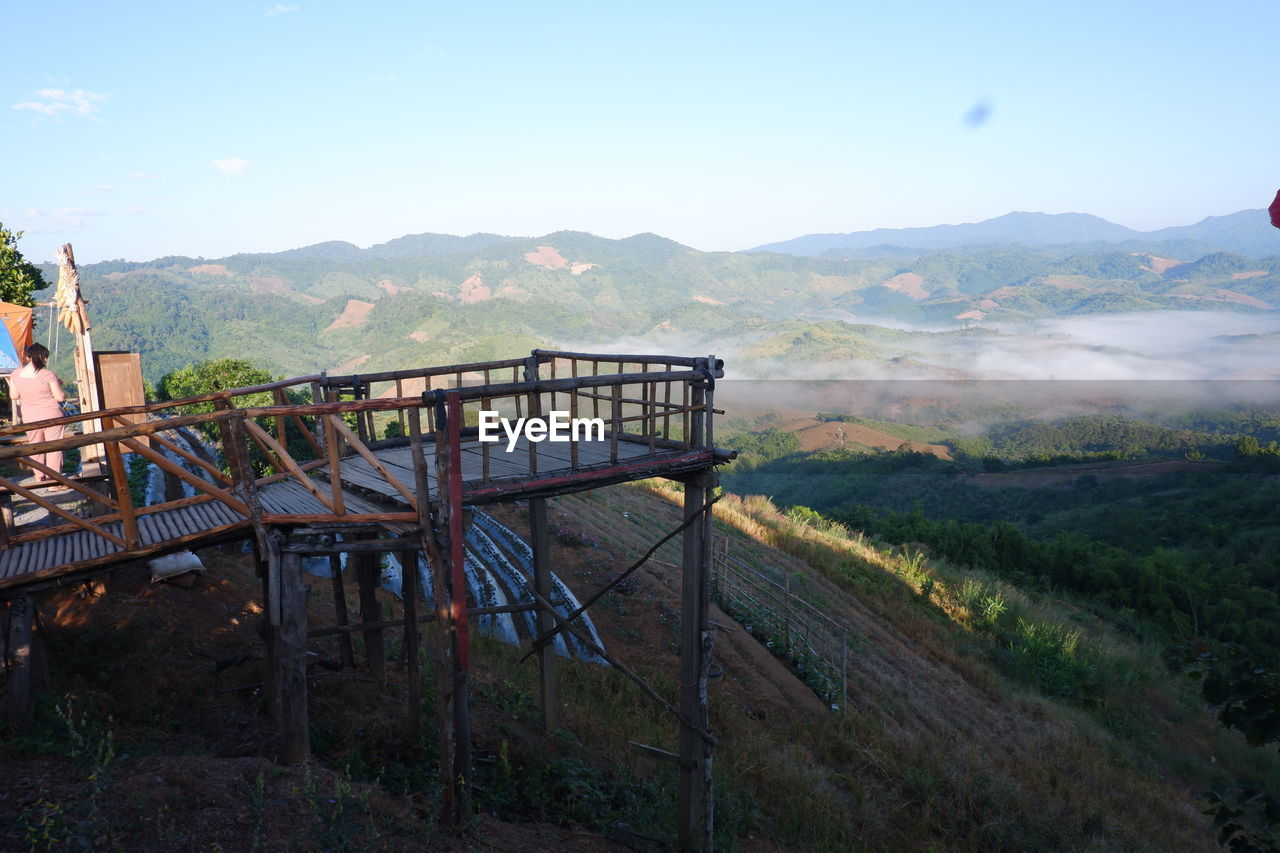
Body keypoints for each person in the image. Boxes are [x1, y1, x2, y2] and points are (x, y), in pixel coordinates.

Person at [8, 343, 68, 488]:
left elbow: (14, 395)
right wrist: (59, 384)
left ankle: (39, 478)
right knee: (54, 447)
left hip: (30, 416)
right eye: (46, 357)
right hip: (51, 415)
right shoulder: (47, 375)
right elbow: (60, 397)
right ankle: (54, 482)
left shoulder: (16, 374)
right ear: (44, 358)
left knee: (36, 447)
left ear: (28, 357)